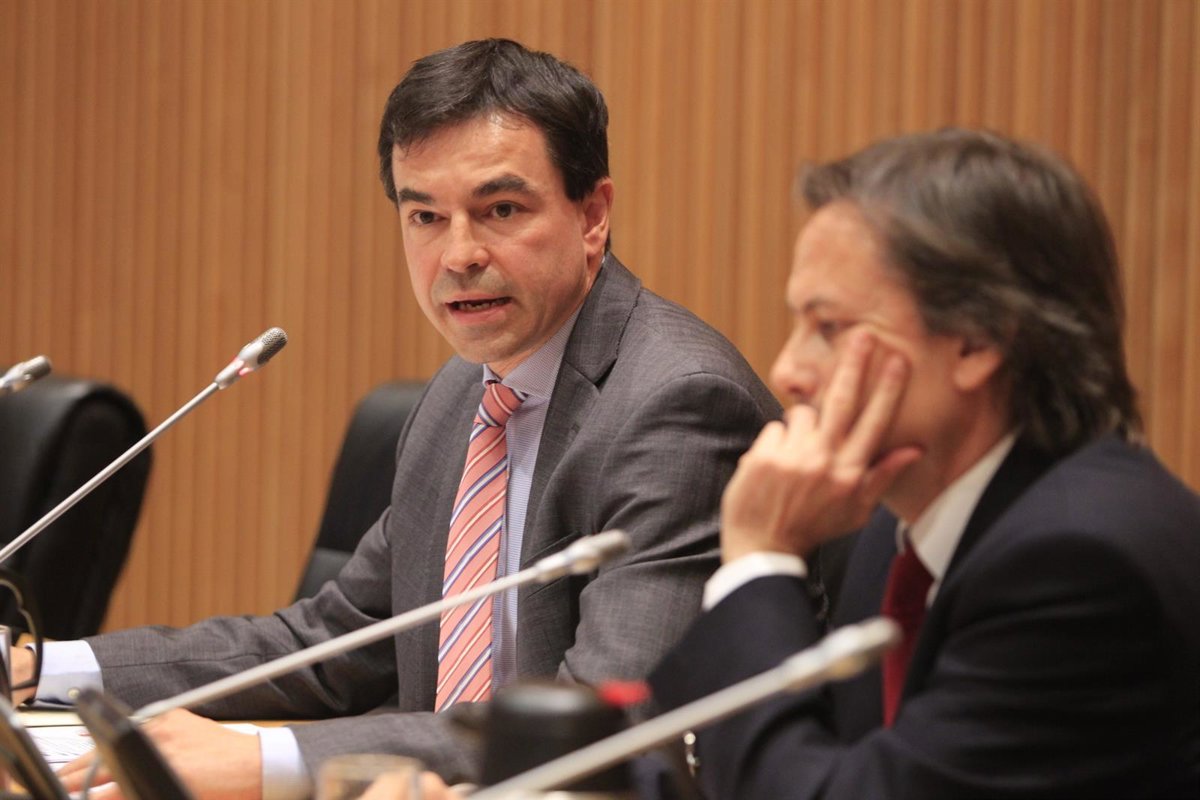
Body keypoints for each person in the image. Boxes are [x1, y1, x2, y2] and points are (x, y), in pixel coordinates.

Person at [12, 39, 779, 799]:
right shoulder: (461, 395)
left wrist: (266, 761)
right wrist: (43, 669)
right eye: (426, 216)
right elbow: (334, 642)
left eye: (500, 210)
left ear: (592, 216)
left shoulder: (676, 404)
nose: (459, 254)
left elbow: (602, 724)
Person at [646, 129, 1200, 798]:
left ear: (976, 341)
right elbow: (714, 746)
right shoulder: (897, 527)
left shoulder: (1081, 565)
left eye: (829, 328)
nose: (787, 370)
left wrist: (759, 560)